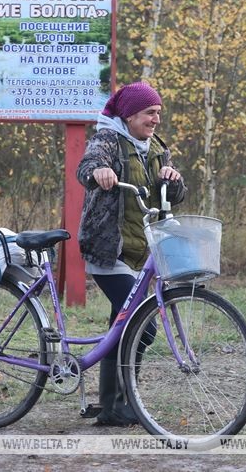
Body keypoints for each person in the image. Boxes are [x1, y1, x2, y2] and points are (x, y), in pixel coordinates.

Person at [76, 80, 187, 426]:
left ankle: (116, 406)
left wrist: (173, 180)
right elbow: (87, 167)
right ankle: (116, 403)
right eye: (149, 113)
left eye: (158, 113)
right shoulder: (108, 140)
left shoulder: (156, 148)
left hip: (144, 253)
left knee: (120, 326)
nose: (155, 120)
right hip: (111, 252)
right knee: (142, 326)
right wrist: (100, 171)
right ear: (130, 114)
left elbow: (175, 196)